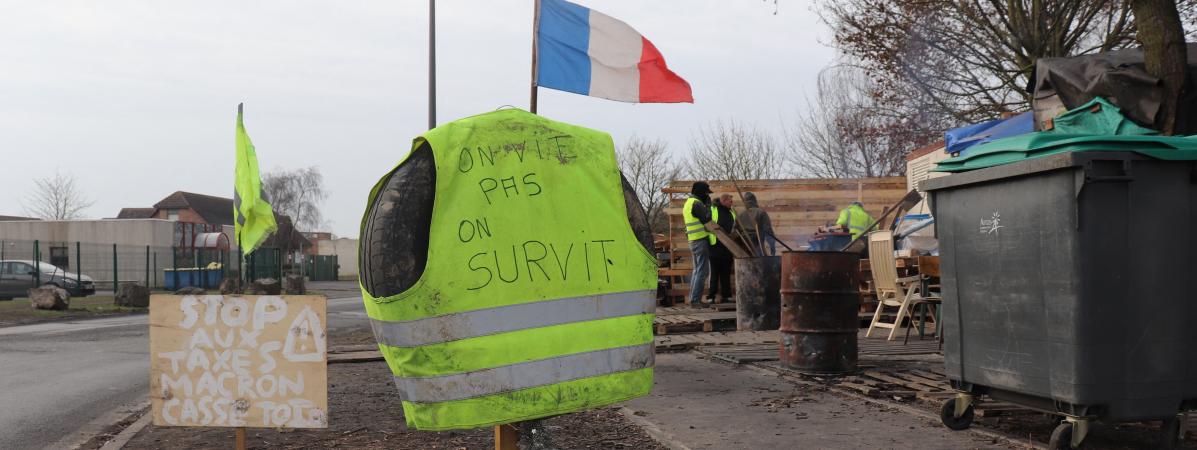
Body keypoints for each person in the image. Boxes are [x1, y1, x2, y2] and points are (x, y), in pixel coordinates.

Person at [682, 182, 714, 308]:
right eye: (706, 193)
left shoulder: (688, 203)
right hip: (700, 240)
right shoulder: (696, 203)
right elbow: (707, 218)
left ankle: (693, 299)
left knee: (697, 271)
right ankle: (695, 300)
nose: (707, 195)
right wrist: (708, 205)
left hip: (693, 240)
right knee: (703, 271)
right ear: (702, 192)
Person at [707, 194, 736, 304]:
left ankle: (727, 296)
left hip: (728, 248)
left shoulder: (732, 212)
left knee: (726, 274)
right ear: (723, 201)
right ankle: (711, 296)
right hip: (715, 247)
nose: (731, 203)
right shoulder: (713, 209)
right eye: (730, 201)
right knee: (714, 273)